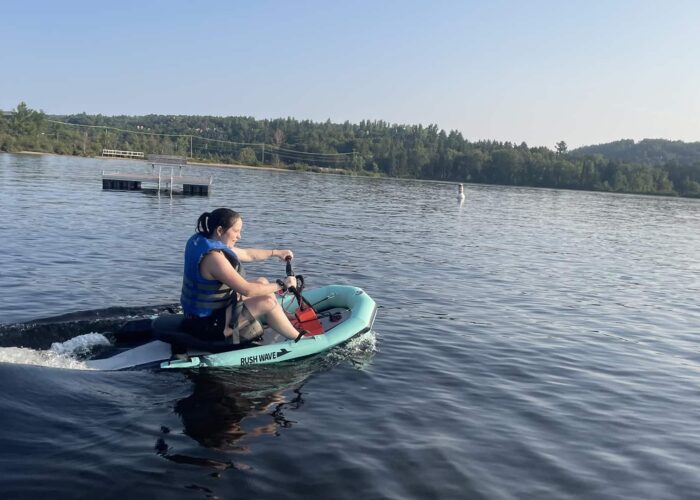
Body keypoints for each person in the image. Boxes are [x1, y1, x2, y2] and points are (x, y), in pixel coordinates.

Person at [180, 208, 305, 345]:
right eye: (236, 231)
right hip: (207, 325)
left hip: (207, 313)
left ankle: (280, 320)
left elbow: (248, 254)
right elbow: (247, 290)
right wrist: (283, 285)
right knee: (268, 301)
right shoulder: (213, 259)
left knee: (262, 282)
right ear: (220, 230)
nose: (239, 236)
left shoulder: (203, 241)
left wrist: (276, 252)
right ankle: (299, 339)